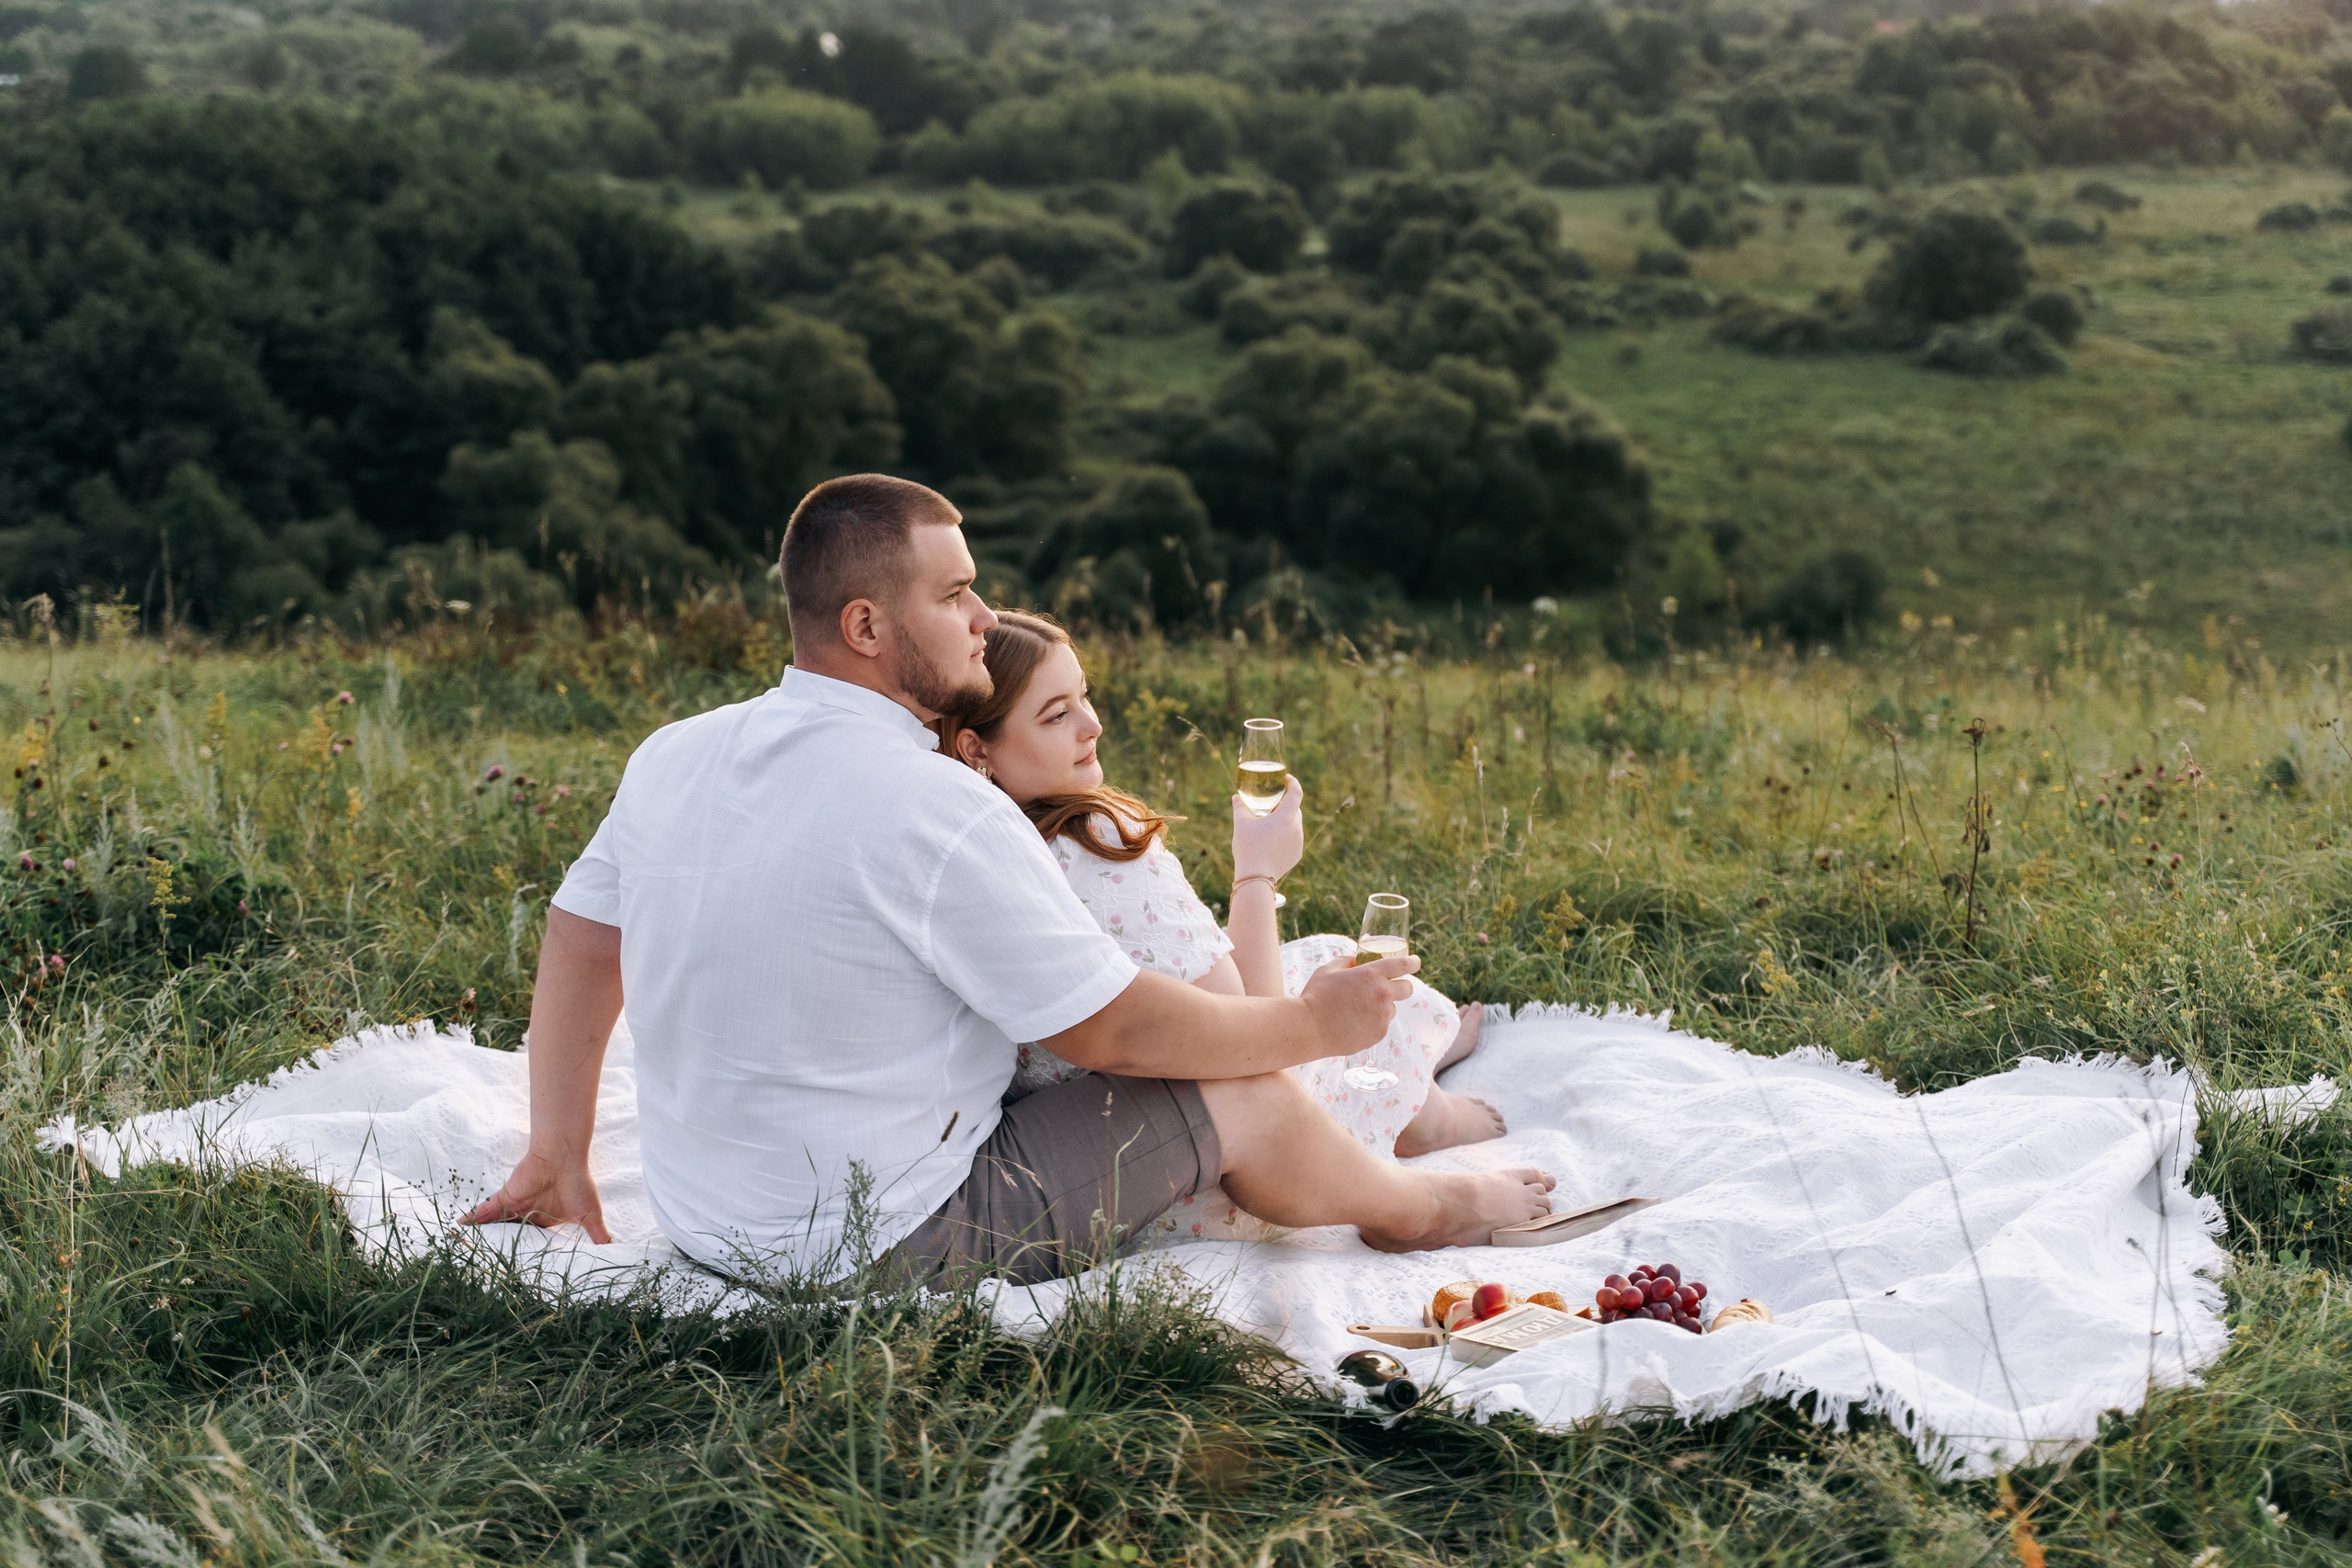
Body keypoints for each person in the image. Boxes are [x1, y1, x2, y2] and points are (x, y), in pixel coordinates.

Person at [463, 473, 1551, 1285]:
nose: (986, 619)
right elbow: (1114, 1033)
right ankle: (1420, 1208)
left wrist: (557, 1152)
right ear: (866, 627)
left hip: (710, 1222)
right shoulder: (936, 803)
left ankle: (1413, 1127)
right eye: (958, 595)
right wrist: (1313, 1027)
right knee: (1240, 1086)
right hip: (871, 1243)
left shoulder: (677, 749)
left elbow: (582, 937)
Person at [934, 611, 1504, 1242]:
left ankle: (1428, 1057)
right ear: (976, 747)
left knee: (1311, 956)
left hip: (1104, 1170)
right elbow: (1262, 1042)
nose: (1093, 724)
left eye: (1084, 696)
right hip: (1223, 1161)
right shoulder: (1097, 843)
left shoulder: (970, 861)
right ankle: (1438, 1120)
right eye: (1056, 714)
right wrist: (1256, 872)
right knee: (1341, 966)